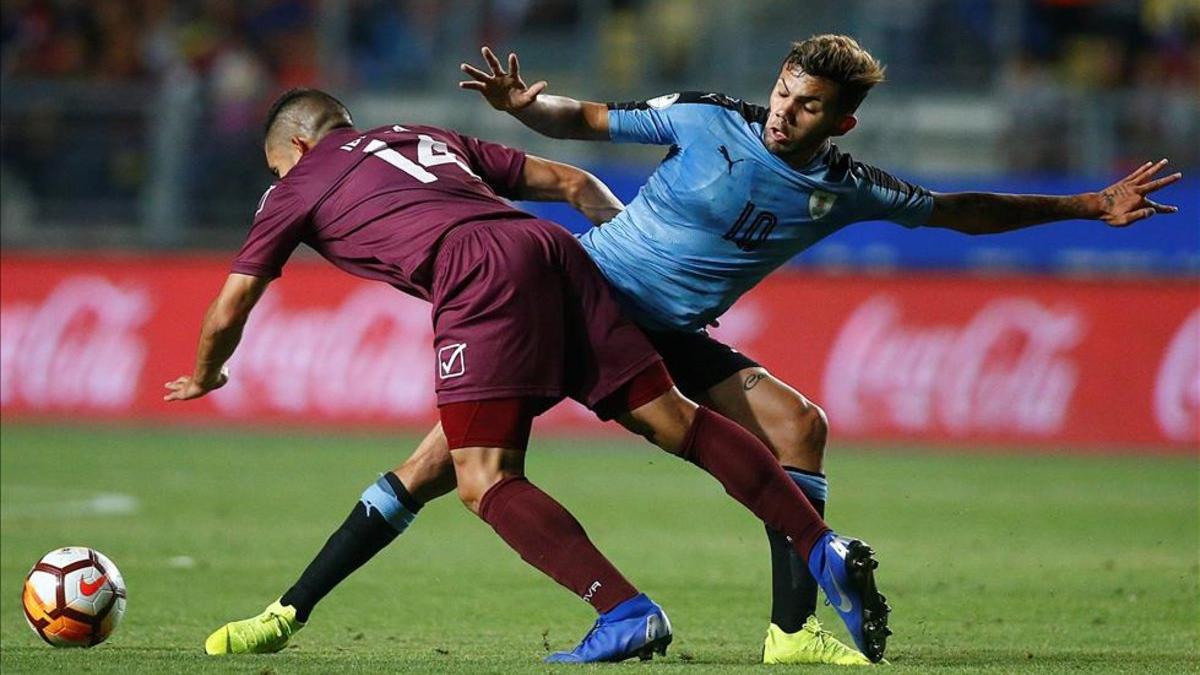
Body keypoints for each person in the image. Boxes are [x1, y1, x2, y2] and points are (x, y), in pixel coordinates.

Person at [204, 35, 1181, 665]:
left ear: (838, 122)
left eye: (805, 107)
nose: (782, 111)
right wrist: (520, 109)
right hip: (583, 289)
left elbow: (957, 210)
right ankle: (288, 613)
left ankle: (792, 631)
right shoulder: (709, 117)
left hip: (656, 324)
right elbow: (584, 123)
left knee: (798, 426)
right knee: (445, 471)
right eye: (783, 92)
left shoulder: (845, 183)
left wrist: (1088, 206)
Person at [170, 87, 892, 664]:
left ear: (297, 146)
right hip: (554, 250)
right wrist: (627, 278)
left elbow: (234, 300)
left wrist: (207, 372)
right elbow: (571, 180)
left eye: (278, 169)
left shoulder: (295, 186)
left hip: (477, 275)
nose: (280, 182)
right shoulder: (422, 137)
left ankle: (625, 611)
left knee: (482, 476)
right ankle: (821, 545)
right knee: (671, 419)